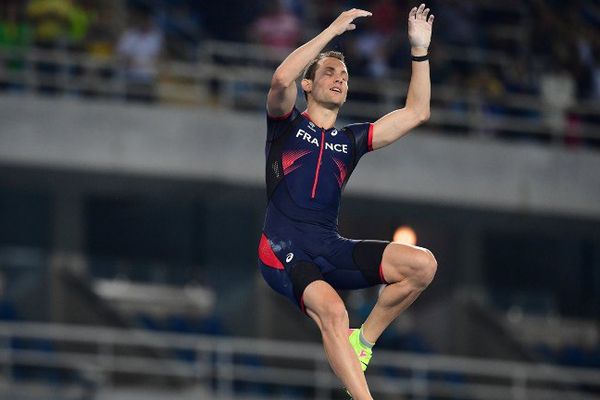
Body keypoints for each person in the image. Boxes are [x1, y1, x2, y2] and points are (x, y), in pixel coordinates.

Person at [257, 4, 436, 399]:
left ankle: (363, 343)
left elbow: (417, 112)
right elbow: (281, 77)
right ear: (309, 85)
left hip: (327, 247)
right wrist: (332, 32)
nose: (339, 78)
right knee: (334, 309)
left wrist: (419, 50)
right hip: (282, 248)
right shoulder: (285, 124)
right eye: (329, 72)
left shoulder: (349, 141)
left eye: (344, 75)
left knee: (421, 265)